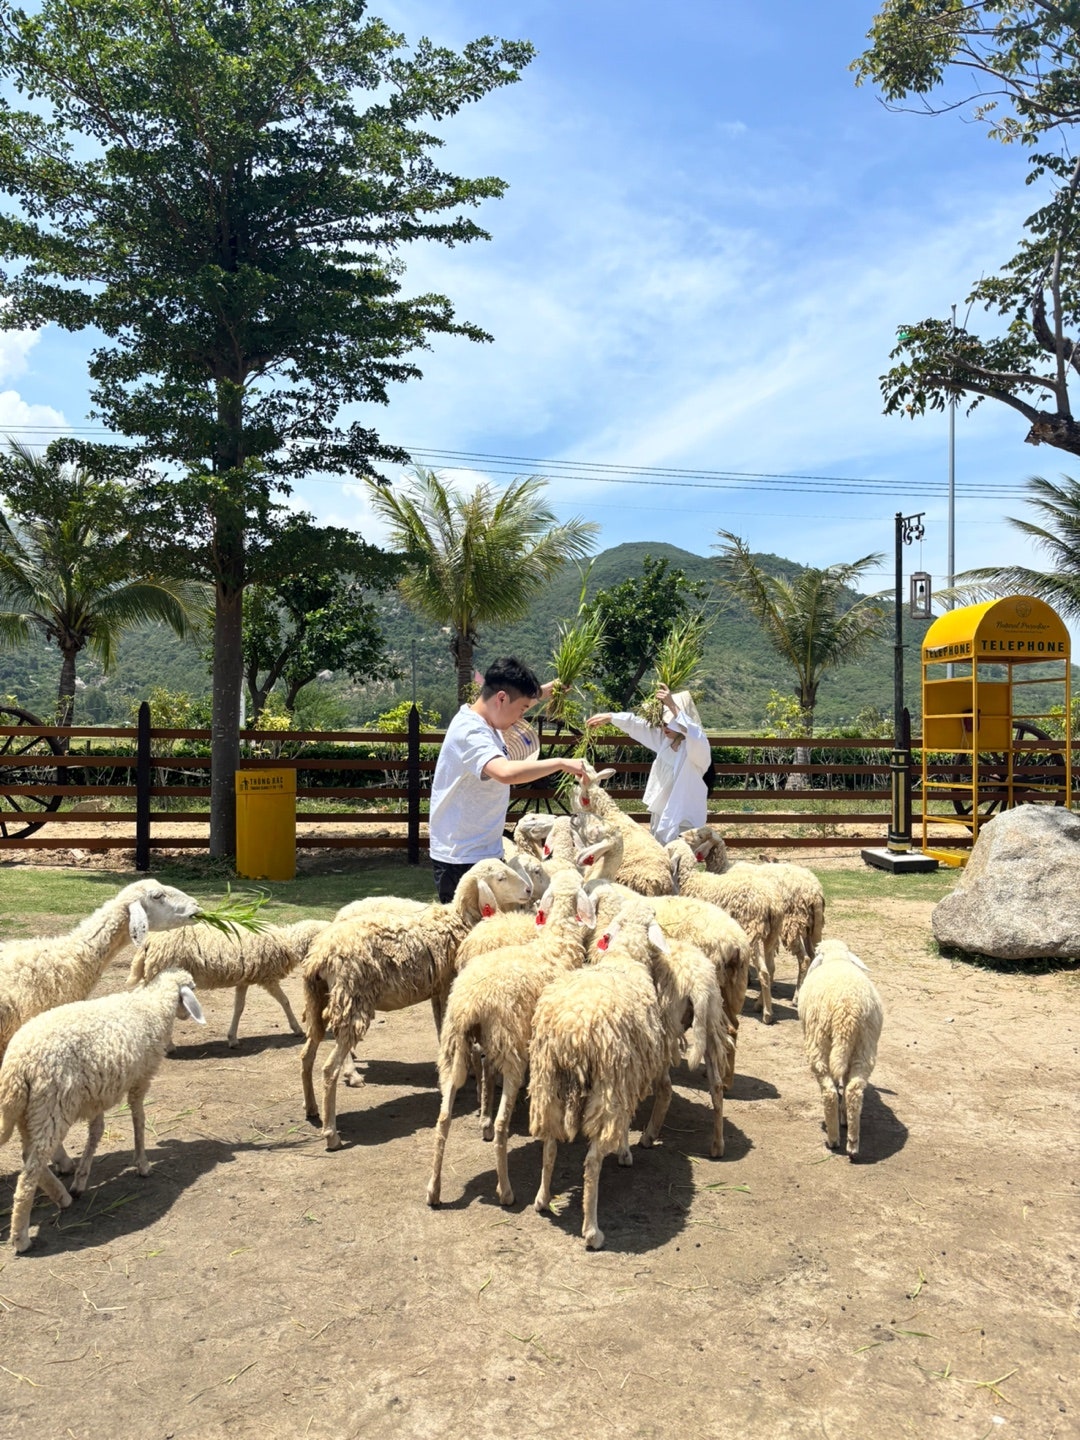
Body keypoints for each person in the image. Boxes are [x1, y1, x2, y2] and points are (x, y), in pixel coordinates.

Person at [428, 657, 589, 903]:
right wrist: (560, 762)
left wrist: (550, 690)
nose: (522, 715)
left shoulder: (491, 723)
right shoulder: (471, 732)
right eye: (523, 708)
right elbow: (504, 773)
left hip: (483, 850)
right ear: (501, 698)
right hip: (461, 857)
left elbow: (520, 701)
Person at [584, 684, 711, 845]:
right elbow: (638, 725)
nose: (664, 727)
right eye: (662, 723)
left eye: (668, 723)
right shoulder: (665, 741)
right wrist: (610, 717)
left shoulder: (697, 750)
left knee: (681, 858)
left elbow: (695, 733)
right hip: (661, 813)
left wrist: (671, 705)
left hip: (683, 817)